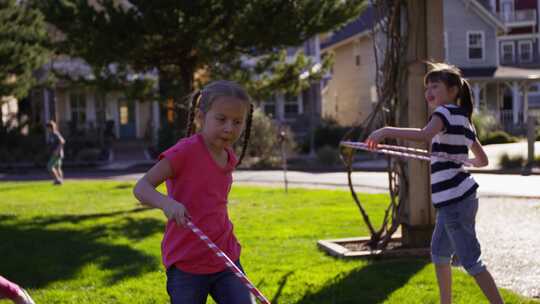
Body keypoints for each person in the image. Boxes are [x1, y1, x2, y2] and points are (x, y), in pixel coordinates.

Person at [366, 62, 504, 304]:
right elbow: (482, 160)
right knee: (440, 254)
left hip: (455, 201)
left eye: (435, 86)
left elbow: (424, 135)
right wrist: (462, 160)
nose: (429, 91)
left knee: (472, 261)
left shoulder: (444, 113)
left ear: (452, 91)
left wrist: (385, 130)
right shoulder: (464, 119)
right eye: (427, 87)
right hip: (456, 200)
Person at [133, 80, 254, 304]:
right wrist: (168, 204)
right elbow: (141, 188)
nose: (229, 128)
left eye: (237, 122)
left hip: (224, 256)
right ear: (200, 117)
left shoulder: (228, 156)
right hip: (186, 262)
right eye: (221, 119)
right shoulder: (185, 151)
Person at [46, 120, 65, 185]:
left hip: (57, 154)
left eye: (48, 128)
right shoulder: (52, 134)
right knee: (57, 167)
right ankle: (61, 181)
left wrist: (57, 150)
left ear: (51, 128)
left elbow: (62, 141)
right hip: (57, 154)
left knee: (49, 166)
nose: (47, 130)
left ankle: (57, 180)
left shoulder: (55, 134)